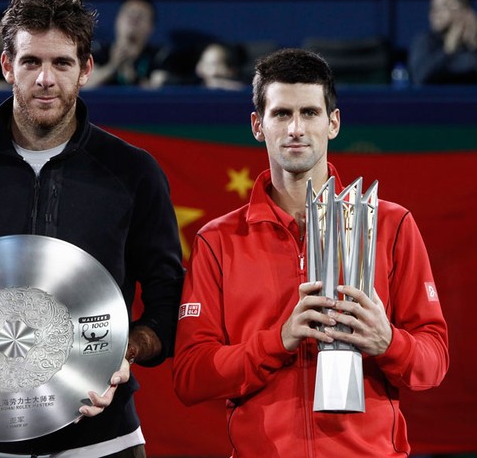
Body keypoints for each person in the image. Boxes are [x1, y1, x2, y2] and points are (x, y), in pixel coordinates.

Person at [0, 0, 184, 457]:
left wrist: (125, 352)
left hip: (101, 437)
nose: (46, 79)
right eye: (31, 62)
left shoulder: (133, 171)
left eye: (62, 63)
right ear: (7, 66)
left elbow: (168, 297)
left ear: (85, 69)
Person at [172, 48, 449, 457]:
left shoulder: (391, 225)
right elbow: (191, 377)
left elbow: (435, 361)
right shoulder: (219, 240)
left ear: (333, 123)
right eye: (281, 114)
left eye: (310, 113)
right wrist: (277, 341)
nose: (296, 129)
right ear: (257, 125)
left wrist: (388, 341)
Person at [84, 0, 161, 88]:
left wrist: (134, 78)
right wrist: (112, 68)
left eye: (141, 16)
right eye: (129, 14)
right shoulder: (96, 53)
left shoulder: (159, 58)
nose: (134, 19)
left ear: (151, 27)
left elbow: (161, 89)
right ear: (117, 20)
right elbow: (82, 86)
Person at [408, 0, 477, 84]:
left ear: (463, 10)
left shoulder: (471, 42)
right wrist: (448, 50)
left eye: (444, 5)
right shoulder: (425, 41)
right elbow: (420, 78)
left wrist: (473, 45)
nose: (435, 12)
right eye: (433, 7)